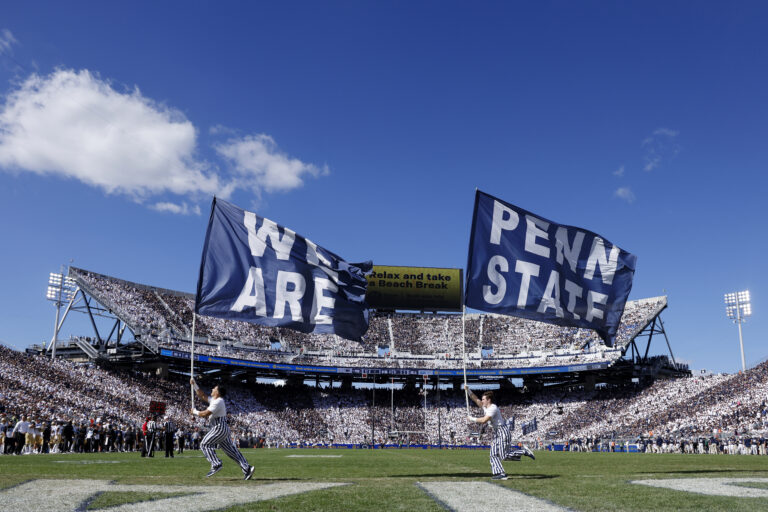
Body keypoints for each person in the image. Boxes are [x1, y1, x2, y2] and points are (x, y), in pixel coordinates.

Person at [190, 377, 255, 480]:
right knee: (232, 452)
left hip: (219, 428)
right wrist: (194, 385)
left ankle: (216, 464)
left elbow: (205, 414)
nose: (212, 389)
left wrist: (195, 412)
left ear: (218, 392)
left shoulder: (218, 401)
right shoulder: (215, 400)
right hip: (222, 428)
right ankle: (247, 468)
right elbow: (202, 395)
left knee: (204, 444)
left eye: (214, 389)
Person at [465, 388, 534, 480]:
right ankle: (500, 473)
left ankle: (523, 451)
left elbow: (484, 420)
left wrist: (472, 418)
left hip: (503, 432)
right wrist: (468, 391)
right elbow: (476, 399)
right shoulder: (486, 407)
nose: (482, 401)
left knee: (504, 456)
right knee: (493, 454)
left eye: (483, 399)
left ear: (488, 400)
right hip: (497, 433)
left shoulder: (492, 408)